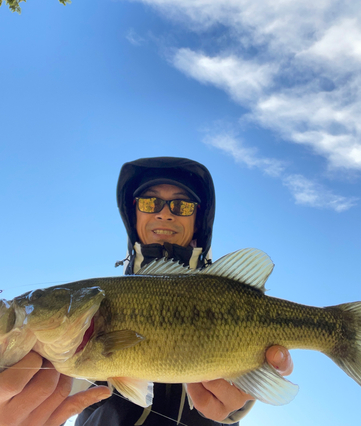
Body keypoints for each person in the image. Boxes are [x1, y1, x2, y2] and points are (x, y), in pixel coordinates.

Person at [0, 156, 293, 426]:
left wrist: (238, 405)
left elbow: (240, 391)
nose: (165, 214)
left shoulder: (228, 297)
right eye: (150, 202)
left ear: (198, 220)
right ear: (134, 213)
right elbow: (58, 393)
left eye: (182, 205)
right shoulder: (70, 333)